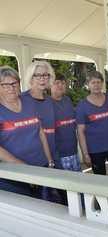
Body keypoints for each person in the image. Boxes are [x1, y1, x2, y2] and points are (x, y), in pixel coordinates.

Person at [0, 66, 53, 196]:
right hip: (14, 174)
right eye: (4, 85)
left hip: (41, 166)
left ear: (19, 83)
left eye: (14, 83)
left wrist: (49, 160)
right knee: (25, 212)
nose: (11, 88)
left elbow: (40, 131)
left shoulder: (29, 102)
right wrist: (23, 167)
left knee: (45, 205)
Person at [76, 70, 108, 177]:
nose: (96, 85)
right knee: (100, 178)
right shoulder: (82, 105)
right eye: (93, 82)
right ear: (87, 85)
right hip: (95, 149)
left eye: (98, 82)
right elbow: (80, 131)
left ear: (102, 83)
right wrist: (85, 154)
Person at [22, 61, 57, 168]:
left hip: (53, 152)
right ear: (31, 78)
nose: (42, 78)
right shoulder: (22, 100)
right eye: (38, 75)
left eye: (45, 75)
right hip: (33, 157)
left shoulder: (50, 100)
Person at [51, 73, 81, 172]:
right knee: (65, 185)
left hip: (73, 151)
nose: (60, 85)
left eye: (63, 83)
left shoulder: (67, 100)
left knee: (77, 183)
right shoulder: (46, 103)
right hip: (60, 155)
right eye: (57, 83)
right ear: (50, 85)